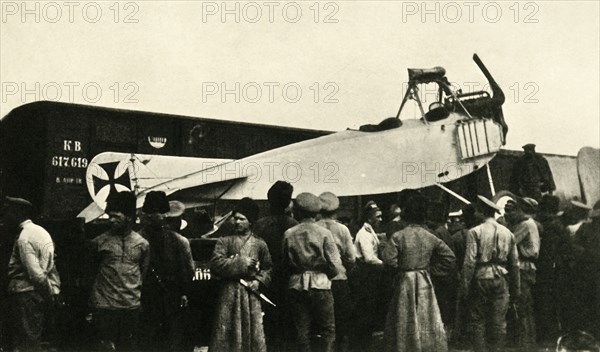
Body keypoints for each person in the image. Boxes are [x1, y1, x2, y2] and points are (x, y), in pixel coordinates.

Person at [383, 193, 455, 352]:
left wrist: (399, 269)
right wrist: (431, 270)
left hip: (405, 279)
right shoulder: (430, 236)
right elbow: (449, 258)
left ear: (406, 214)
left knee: (404, 315)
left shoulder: (398, 236)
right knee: (426, 315)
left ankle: (405, 346)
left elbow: (388, 260)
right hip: (424, 279)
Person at [209, 197, 273, 352]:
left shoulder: (259, 243)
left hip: (250, 294)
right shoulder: (224, 241)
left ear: (250, 221)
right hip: (228, 292)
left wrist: (259, 281)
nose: (237, 222)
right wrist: (240, 263)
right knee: (227, 331)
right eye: (235, 218)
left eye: (242, 219)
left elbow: (268, 268)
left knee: (253, 333)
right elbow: (216, 264)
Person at [89, 191, 150, 351]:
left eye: (116, 216)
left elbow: (142, 273)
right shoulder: (99, 242)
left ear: (129, 217)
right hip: (104, 307)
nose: (111, 220)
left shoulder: (142, 244)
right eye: (110, 216)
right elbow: (90, 272)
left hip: (130, 307)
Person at [282, 192, 342, 352]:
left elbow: (284, 263)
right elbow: (336, 265)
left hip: (297, 284)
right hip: (321, 283)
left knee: (302, 331)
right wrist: (327, 274)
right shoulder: (324, 233)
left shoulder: (289, 233)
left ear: (298, 212)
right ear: (316, 213)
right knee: (328, 329)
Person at [461, 195, 520, 352]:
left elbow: (469, 262)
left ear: (481, 212)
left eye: (477, 212)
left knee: (477, 320)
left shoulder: (474, 232)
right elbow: (514, 264)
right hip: (501, 278)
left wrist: (465, 287)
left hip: (480, 277)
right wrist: (516, 289)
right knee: (498, 322)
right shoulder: (508, 233)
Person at [138, 191, 195, 352]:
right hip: (146, 297)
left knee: (171, 340)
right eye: (157, 212)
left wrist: (183, 292)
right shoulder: (138, 240)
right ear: (147, 214)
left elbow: (188, 270)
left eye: (163, 212)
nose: (161, 216)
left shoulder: (179, 241)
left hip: (171, 297)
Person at [4, 196, 61, 351]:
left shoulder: (24, 237)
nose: (5, 216)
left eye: (9, 211)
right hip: (34, 295)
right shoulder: (39, 232)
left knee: (26, 342)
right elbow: (50, 266)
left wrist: (48, 295)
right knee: (31, 339)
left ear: (18, 213)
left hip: (26, 295)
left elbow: (36, 274)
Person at [254, 181, 298, 352]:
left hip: (267, 280)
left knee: (269, 324)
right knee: (289, 324)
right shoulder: (294, 225)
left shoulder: (260, 225)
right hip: (289, 279)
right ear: (288, 202)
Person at [317, 192, 357, 352]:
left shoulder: (315, 227)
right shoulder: (343, 229)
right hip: (340, 278)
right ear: (336, 209)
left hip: (319, 279)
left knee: (321, 324)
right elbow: (351, 257)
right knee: (341, 322)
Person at [504, 197, 540, 350]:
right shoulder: (532, 224)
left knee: (522, 305)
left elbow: (510, 241)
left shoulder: (525, 224)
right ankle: (530, 341)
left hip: (523, 268)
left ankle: (524, 344)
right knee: (527, 306)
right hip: (530, 267)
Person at [351, 201, 384, 350]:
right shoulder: (364, 234)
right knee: (366, 309)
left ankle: (365, 340)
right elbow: (369, 258)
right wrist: (385, 264)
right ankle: (361, 343)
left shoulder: (370, 231)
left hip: (370, 274)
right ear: (369, 217)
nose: (381, 219)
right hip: (366, 274)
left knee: (370, 308)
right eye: (378, 216)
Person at [533, 195, 565, 345]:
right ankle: (550, 337)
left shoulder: (535, 222)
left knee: (539, 302)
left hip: (537, 267)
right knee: (552, 303)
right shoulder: (556, 225)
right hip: (552, 270)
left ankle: (540, 336)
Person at [571, 200, 600, 339]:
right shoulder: (585, 229)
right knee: (591, 304)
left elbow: (576, 248)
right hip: (589, 272)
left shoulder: (585, 228)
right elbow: (575, 248)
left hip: (588, 272)